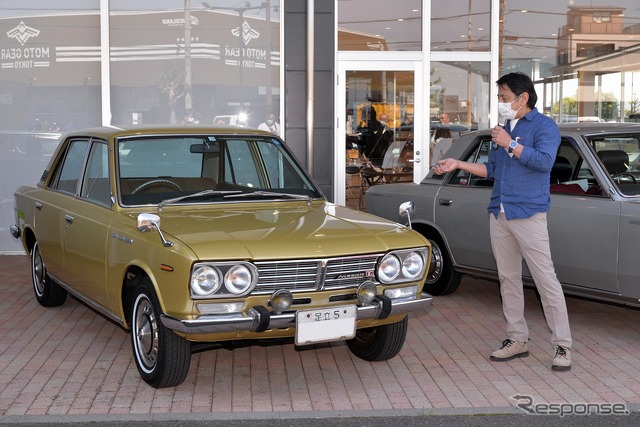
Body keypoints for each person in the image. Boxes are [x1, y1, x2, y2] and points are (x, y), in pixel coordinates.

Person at [432, 72, 572, 371]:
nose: (500, 102)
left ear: (524, 97)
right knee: (508, 278)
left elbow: (544, 162)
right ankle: (517, 338)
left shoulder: (544, 126)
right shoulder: (504, 128)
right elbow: (492, 170)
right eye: (499, 97)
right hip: (500, 212)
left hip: (529, 212)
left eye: (504, 97)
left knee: (545, 280)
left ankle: (562, 345)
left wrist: (510, 144)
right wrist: (458, 164)